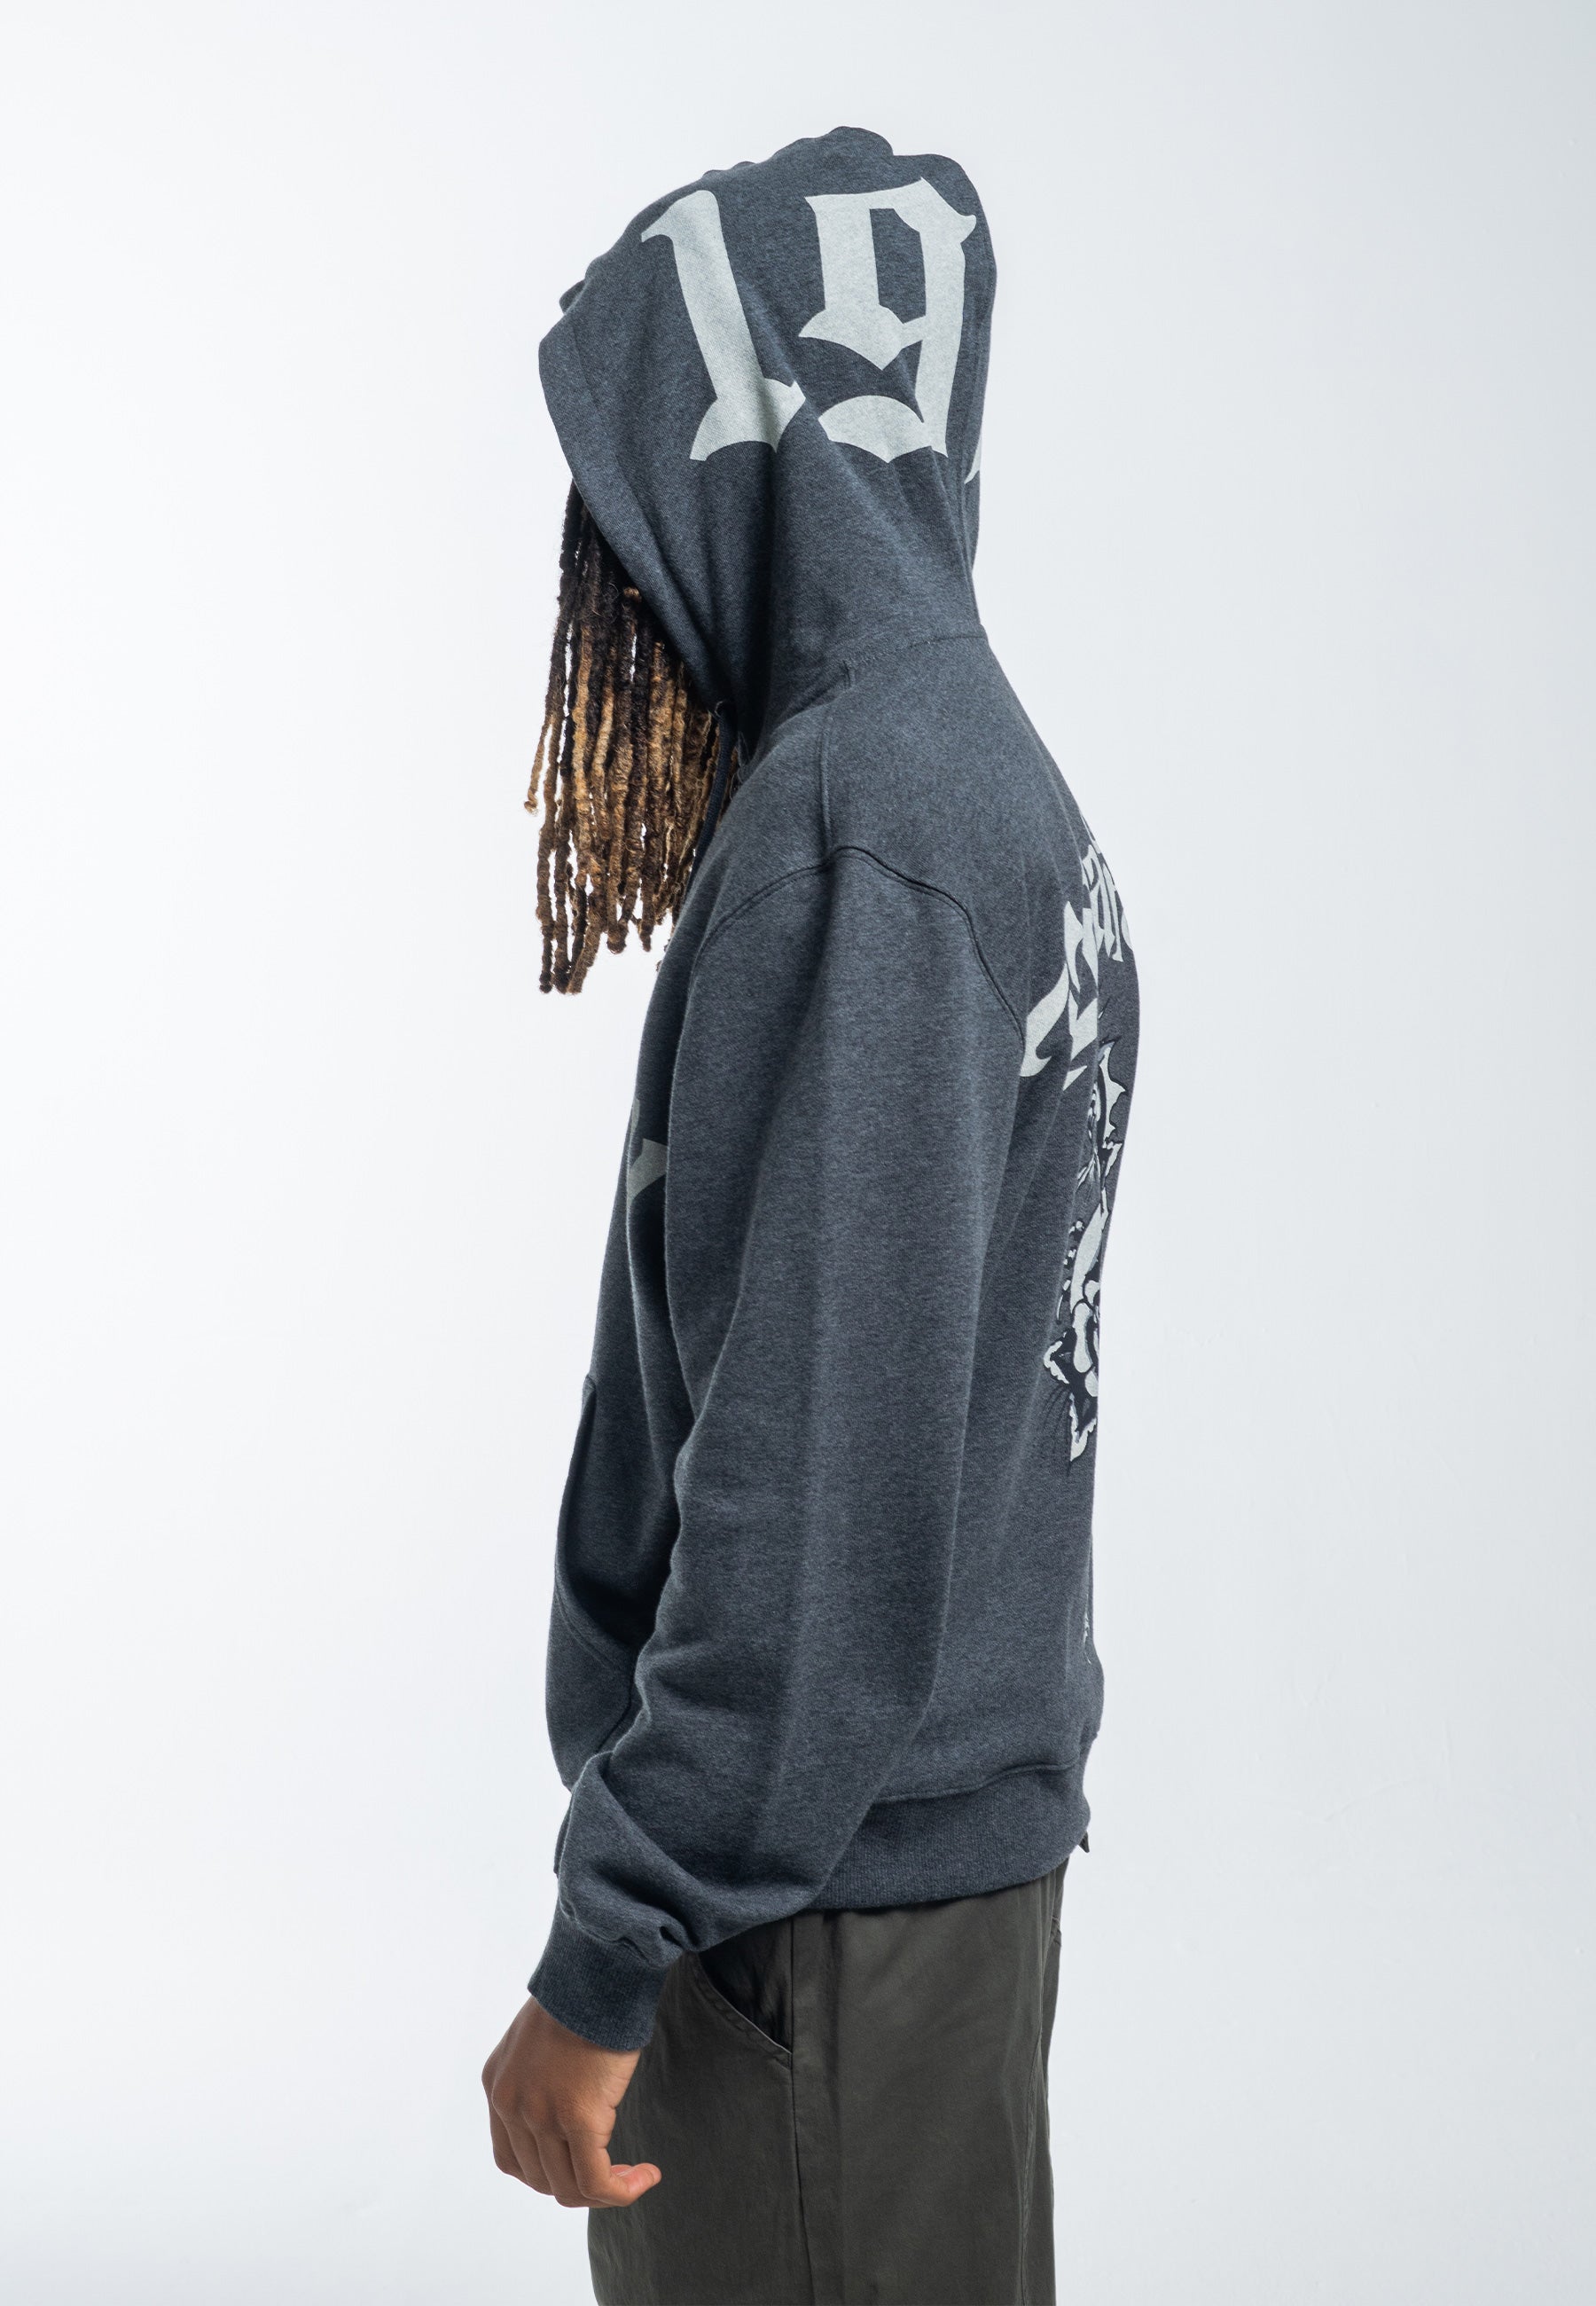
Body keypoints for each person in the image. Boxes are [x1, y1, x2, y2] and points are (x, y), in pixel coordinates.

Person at [481, 125, 1140, 2306]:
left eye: (624, 499)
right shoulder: (987, 783)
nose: (610, 570)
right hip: (904, 1883)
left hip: (810, 1925)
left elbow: (817, 1491)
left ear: (743, 462)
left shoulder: (863, 824)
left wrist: (609, 1945)